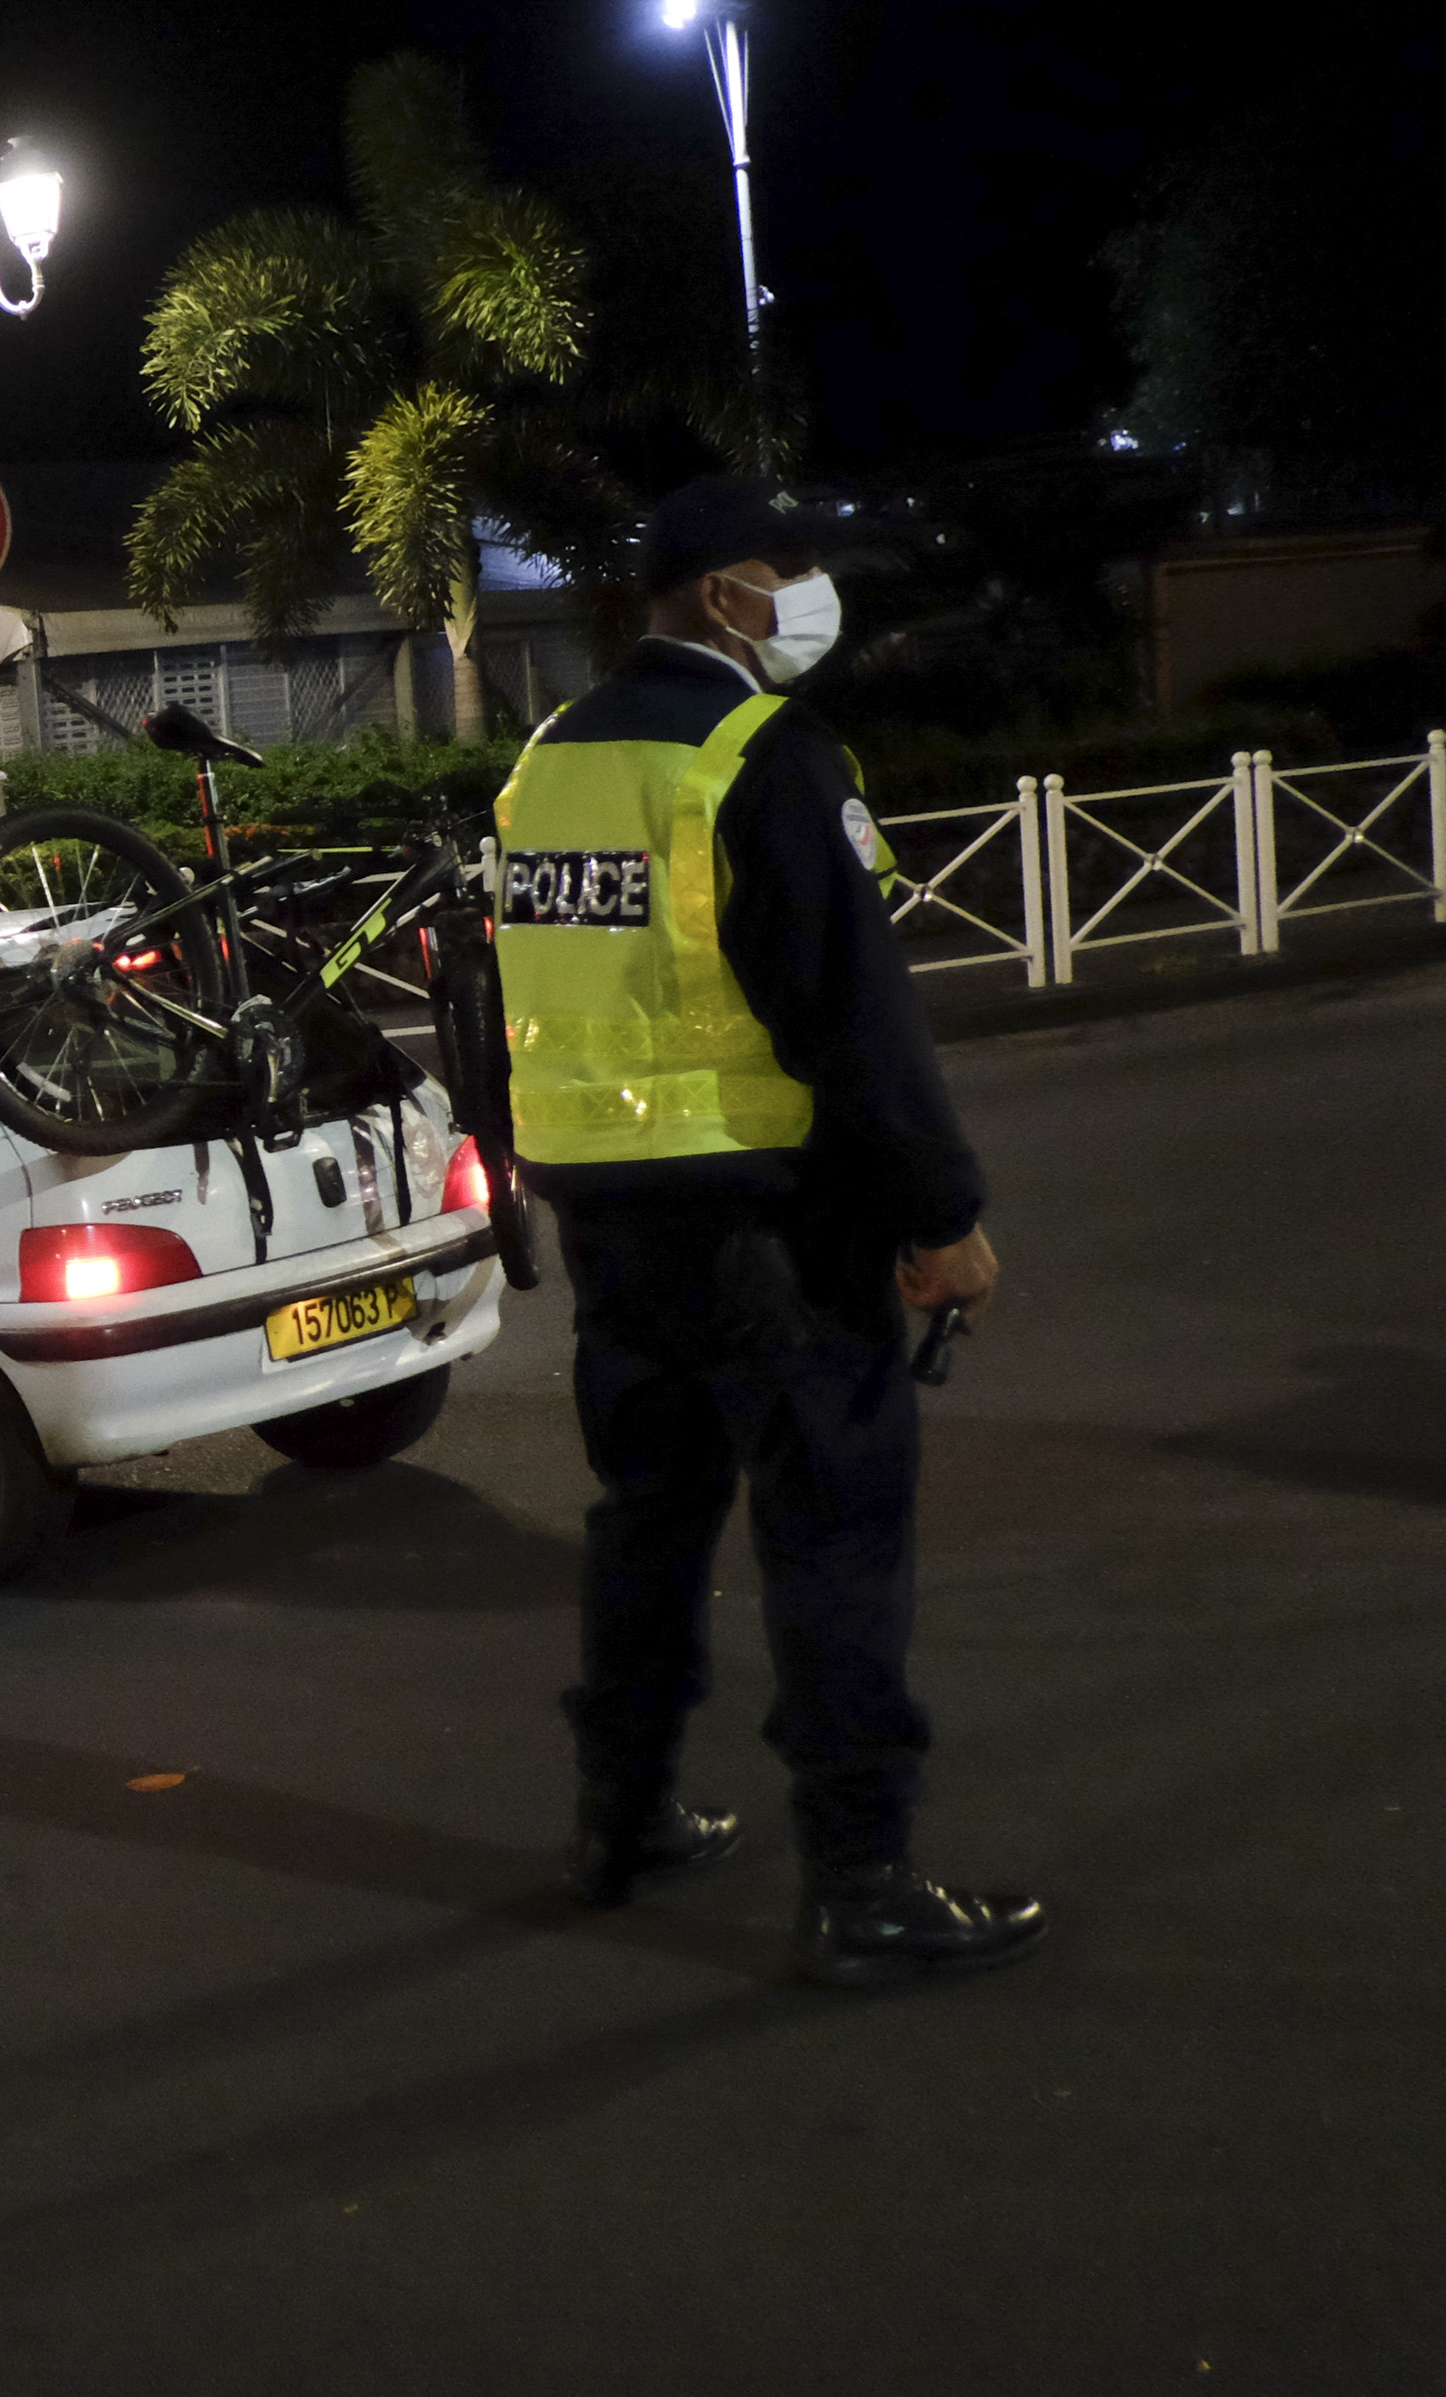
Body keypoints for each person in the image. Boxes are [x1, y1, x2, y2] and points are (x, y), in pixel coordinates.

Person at [495, 471, 1044, 1988]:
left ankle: (621, 1815)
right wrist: (945, 1218)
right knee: (835, 1540)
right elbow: (855, 1017)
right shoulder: (760, 754)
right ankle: (861, 1879)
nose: (810, 594)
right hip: (765, 1219)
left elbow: (520, 988)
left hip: (609, 1220)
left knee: (649, 1520)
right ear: (723, 592)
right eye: (789, 568)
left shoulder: (548, 761)